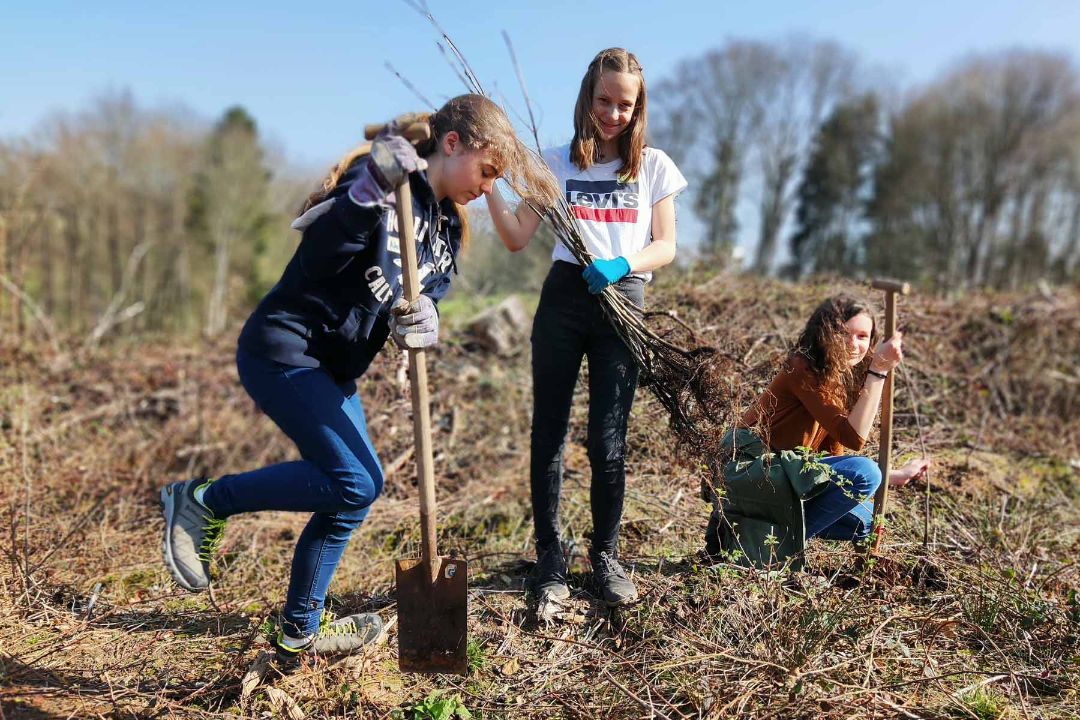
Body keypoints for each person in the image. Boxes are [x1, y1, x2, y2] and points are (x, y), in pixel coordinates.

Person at [159, 94, 556, 664]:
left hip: (333, 371)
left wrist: (428, 320)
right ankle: (204, 499)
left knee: (353, 492)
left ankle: (299, 627)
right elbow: (320, 257)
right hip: (285, 350)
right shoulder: (385, 188)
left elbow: (423, 298)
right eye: (487, 170)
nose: (490, 187)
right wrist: (369, 190)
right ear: (451, 144)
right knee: (355, 483)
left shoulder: (444, 233)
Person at [486, 48, 688, 607]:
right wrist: (492, 188)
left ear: (638, 106)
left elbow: (666, 245)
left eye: (626, 104)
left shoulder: (653, 167)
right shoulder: (554, 163)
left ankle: (606, 555)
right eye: (605, 100)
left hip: (622, 301)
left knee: (608, 440)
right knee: (547, 433)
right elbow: (516, 236)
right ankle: (549, 557)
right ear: (587, 97)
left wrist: (625, 264)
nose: (614, 113)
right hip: (564, 299)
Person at [705, 294, 931, 557]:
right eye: (843, 334)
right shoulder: (802, 368)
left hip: (786, 478)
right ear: (823, 332)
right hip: (751, 474)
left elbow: (832, 461)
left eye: (862, 337)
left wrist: (896, 475)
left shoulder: (842, 381)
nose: (853, 345)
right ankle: (774, 553)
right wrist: (878, 371)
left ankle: (754, 538)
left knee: (867, 521)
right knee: (865, 473)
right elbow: (854, 438)